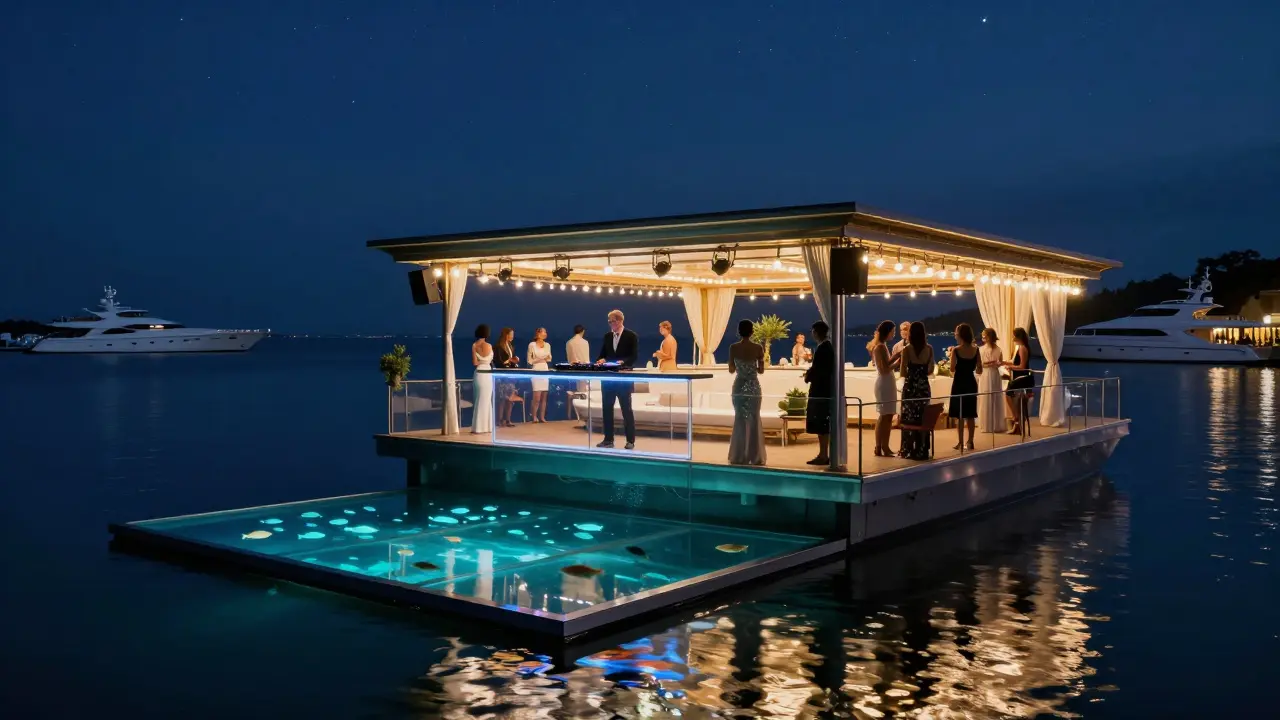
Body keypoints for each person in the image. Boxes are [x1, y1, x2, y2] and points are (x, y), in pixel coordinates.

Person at [595, 309, 639, 449]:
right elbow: (602, 355)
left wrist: (622, 363)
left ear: (620, 321)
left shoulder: (631, 335)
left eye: (612, 321)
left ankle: (630, 440)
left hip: (623, 378)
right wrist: (600, 360)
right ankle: (608, 440)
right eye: (609, 322)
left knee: (626, 409)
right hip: (608, 379)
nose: (610, 324)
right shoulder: (607, 336)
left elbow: (633, 357)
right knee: (607, 409)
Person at [727, 319, 767, 466]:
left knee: (739, 418)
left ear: (739, 331)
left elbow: (731, 370)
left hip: (738, 386)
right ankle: (755, 456)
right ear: (752, 331)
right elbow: (761, 371)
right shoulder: (758, 348)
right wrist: (752, 369)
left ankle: (738, 455)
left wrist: (740, 367)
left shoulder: (733, 348)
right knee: (754, 418)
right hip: (753, 386)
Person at [897, 321, 934, 460]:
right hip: (923, 386)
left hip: (911, 386)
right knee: (922, 418)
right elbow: (930, 369)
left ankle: (908, 449)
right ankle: (922, 449)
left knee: (908, 418)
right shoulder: (929, 349)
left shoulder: (906, 350)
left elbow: (902, 372)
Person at [804, 320, 834, 466]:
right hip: (824, 389)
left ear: (816, 333)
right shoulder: (827, 347)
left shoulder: (823, 348)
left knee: (821, 423)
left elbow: (819, 370)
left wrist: (808, 375)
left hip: (820, 391)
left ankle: (823, 455)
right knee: (823, 424)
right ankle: (823, 453)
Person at [947, 323, 980, 450]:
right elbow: (979, 369)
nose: (955, 335)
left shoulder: (956, 350)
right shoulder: (976, 350)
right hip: (971, 382)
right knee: (970, 414)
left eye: (956, 332)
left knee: (960, 414)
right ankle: (970, 442)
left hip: (959, 382)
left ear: (960, 335)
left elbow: (952, 369)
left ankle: (960, 442)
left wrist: (951, 357)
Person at [867, 320, 897, 457]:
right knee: (885, 415)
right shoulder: (880, 347)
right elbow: (885, 369)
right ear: (888, 332)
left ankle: (882, 446)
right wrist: (898, 359)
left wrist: (896, 358)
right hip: (885, 383)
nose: (894, 334)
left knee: (887, 415)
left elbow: (885, 365)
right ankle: (881, 446)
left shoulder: (881, 346)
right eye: (893, 331)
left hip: (886, 382)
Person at [1003, 327, 1035, 435]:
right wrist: (1003, 363)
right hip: (1019, 377)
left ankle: (1015, 417)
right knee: (1009, 394)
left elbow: (1022, 366)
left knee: (1007, 394)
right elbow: (1014, 363)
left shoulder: (1022, 348)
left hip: (1023, 378)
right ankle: (1017, 422)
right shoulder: (1019, 347)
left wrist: (1011, 368)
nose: (1012, 337)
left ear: (1017, 336)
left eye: (1013, 335)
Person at [977, 328, 1006, 434]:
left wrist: (994, 363)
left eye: (984, 336)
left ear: (988, 337)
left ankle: (991, 425)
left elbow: (1000, 362)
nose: (982, 337)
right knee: (986, 397)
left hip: (991, 374)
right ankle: (990, 424)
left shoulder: (983, 349)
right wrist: (993, 363)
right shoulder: (983, 349)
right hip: (988, 374)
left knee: (993, 397)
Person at [493, 327, 521, 428]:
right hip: (502, 375)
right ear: (506, 334)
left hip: (511, 375)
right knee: (502, 399)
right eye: (511, 334)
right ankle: (499, 420)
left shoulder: (510, 346)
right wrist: (509, 361)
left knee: (510, 399)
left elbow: (510, 359)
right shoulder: (498, 347)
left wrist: (514, 361)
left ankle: (508, 419)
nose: (512, 336)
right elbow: (498, 361)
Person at [471, 324, 494, 434]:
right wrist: (486, 362)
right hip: (488, 373)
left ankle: (478, 427)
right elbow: (488, 360)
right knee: (486, 400)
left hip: (479, 373)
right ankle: (487, 427)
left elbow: (475, 363)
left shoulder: (474, 345)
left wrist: (482, 362)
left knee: (479, 399)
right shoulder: (489, 346)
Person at [527, 327, 553, 423]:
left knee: (544, 396)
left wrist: (541, 359)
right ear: (538, 334)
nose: (546, 333)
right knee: (536, 396)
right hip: (536, 369)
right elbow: (530, 361)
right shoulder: (532, 345)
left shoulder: (547, 345)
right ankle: (534, 416)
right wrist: (540, 359)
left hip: (545, 369)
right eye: (544, 332)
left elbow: (549, 358)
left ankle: (542, 417)